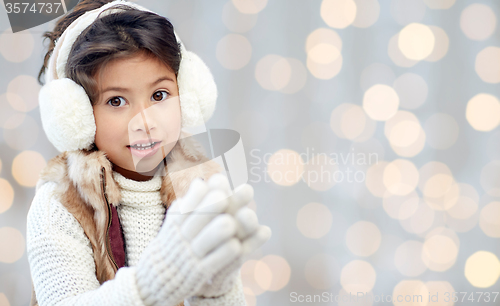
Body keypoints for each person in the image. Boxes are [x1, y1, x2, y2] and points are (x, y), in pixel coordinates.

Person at [26, 0, 271, 305]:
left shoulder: (200, 187)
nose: (145, 122)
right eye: (116, 101)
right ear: (78, 116)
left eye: (159, 95)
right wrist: (152, 284)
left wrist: (217, 290)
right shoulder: (60, 202)